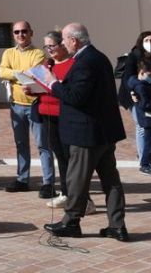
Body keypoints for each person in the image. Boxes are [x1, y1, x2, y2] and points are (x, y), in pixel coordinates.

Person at [44, 23, 129, 242]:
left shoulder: (85, 62)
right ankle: (117, 226)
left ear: (74, 40)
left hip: (87, 134)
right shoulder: (98, 57)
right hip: (104, 132)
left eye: (64, 40)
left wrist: (53, 84)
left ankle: (71, 222)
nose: (62, 44)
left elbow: (76, 97)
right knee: (111, 181)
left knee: (76, 180)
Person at [35, 30, 93, 211]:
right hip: (47, 114)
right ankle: (66, 193)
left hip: (65, 116)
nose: (49, 50)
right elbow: (44, 86)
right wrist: (32, 89)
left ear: (63, 44)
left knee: (72, 158)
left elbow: (71, 92)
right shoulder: (47, 65)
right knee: (60, 156)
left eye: (52, 45)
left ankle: (85, 200)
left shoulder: (73, 64)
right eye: (46, 46)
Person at [0, 20, 50, 195]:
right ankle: (22, 179)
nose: (20, 35)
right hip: (16, 106)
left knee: (43, 145)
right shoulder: (8, 52)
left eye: (24, 31)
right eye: (16, 32)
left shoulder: (38, 53)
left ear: (31, 33)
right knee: (21, 144)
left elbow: (35, 73)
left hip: (36, 105)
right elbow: (2, 71)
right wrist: (20, 74)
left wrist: (15, 74)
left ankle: (48, 182)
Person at [117, 31, 151, 166]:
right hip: (132, 96)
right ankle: (143, 158)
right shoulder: (134, 56)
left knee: (150, 124)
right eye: (147, 40)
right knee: (141, 125)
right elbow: (127, 77)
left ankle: (146, 155)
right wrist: (132, 92)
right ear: (141, 42)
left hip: (149, 96)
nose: (150, 43)